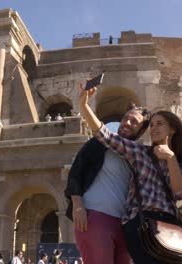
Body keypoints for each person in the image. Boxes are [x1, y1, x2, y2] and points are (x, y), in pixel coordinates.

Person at [79, 86, 182, 263]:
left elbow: (180, 192)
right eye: (152, 125)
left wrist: (170, 158)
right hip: (140, 222)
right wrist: (84, 106)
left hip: (169, 222)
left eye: (159, 124)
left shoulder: (179, 160)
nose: (154, 128)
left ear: (173, 129)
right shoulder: (140, 152)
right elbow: (105, 135)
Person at [64, 100, 149, 264]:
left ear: (142, 130)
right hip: (95, 216)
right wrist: (78, 204)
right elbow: (77, 168)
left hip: (125, 225)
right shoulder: (103, 140)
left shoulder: (139, 154)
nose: (127, 123)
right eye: (126, 118)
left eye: (134, 122)